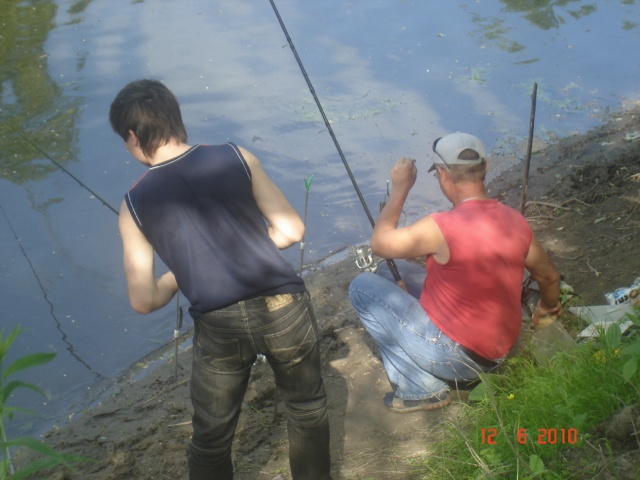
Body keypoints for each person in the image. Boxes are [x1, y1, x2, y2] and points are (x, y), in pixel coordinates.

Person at [109, 79, 332, 479]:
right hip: (284, 306)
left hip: (219, 326)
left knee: (211, 438)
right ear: (175, 117)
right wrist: (246, 247)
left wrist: (178, 274)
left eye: (124, 142)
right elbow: (291, 230)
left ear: (133, 136)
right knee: (307, 410)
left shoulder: (133, 204)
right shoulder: (235, 155)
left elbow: (143, 300)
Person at [349, 132, 561, 413]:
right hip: (501, 351)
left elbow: (379, 243)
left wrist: (401, 186)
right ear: (486, 166)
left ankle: (420, 388)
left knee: (361, 286)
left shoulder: (440, 226)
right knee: (389, 271)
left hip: (456, 359)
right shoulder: (515, 220)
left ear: (442, 174)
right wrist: (547, 307)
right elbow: (549, 277)